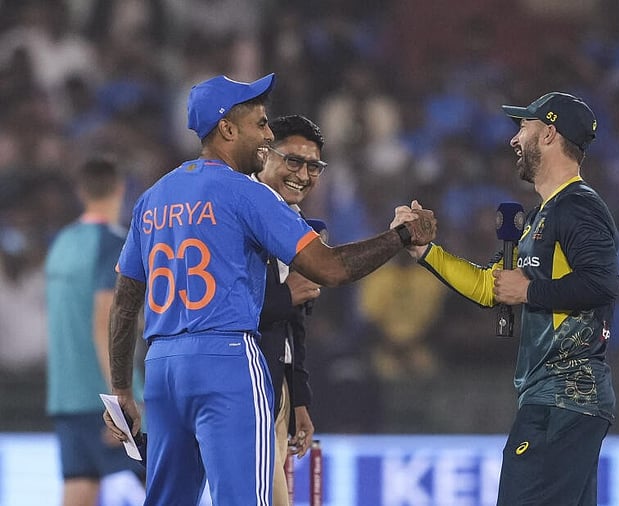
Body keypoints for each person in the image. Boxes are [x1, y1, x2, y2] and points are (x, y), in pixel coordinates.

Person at [103, 73, 436, 506]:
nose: (267, 135)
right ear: (227, 129)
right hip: (228, 363)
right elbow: (329, 268)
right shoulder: (245, 193)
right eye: (260, 124)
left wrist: (122, 390)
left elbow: (126, 304)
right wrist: (401, 237)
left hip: (163, 367)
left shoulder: (152, 198)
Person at [398, 92, 619, 505]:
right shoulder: (542, 215)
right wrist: (425, 252)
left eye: (524, 127)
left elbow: (603, 283)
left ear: (549, 134)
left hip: (564, 398)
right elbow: (492, 287)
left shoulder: (578, 206)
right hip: (556, 400)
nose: (513, 140)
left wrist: (531, 290)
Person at [45, 157, 144, 506]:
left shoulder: (59, 245)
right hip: (104, 397)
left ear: (80, 191)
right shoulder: (113, 244)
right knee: (163, 486)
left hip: (65, 396)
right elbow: (106, 321)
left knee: (79, 487)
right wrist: (122, 399)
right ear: (120, 188)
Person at [252, 114, 325, 506]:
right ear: (264, 155)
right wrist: (285, 295)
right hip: (239, 376)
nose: (302, 174)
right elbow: (216, 307)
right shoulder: (240, 212)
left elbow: (295, 323)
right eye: (292, 161)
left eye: (313, 166)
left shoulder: (294, 222)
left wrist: (299, 400)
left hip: (273, 383)